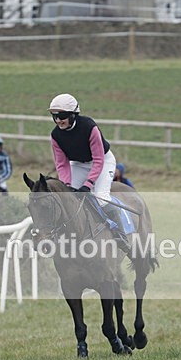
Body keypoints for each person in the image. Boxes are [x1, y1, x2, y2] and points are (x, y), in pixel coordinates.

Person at [48, 93, 129, 252]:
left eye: (62, 115)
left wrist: (88, 184)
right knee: (70, 198)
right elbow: (62, 164)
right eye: (54, 116)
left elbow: (98, 160)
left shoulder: (89, 127)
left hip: (103, 161)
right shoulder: (55, 135)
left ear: (73, 114)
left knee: (101, 197)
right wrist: (67, 185)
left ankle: (120, 236)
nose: (58, 120)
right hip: (78, 164)